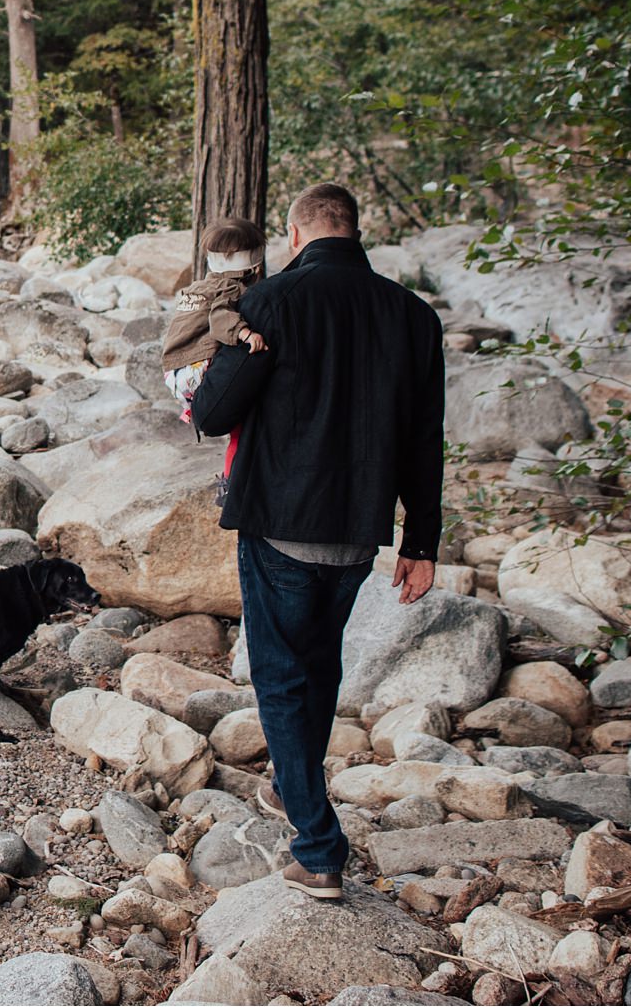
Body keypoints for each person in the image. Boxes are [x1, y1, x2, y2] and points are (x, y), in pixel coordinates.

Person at [194, 183, 444, 902]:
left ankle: (318, 846)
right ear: (353, 231)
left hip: (281, 525)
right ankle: (289, 780)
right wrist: (420, 542)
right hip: (359, 534)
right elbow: (426, 442)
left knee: (279, 675)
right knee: (317, 663)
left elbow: (213, 412)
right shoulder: (414, 316)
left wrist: (233, 349)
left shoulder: (270, 303)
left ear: (296, 236)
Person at [160, 215, 270, 425]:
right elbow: (220, 319)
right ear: (256, 267)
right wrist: (246, 334)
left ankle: (190, 407)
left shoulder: (197, 288)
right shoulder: (230, 288)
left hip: (174, 368)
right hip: (196, 367)